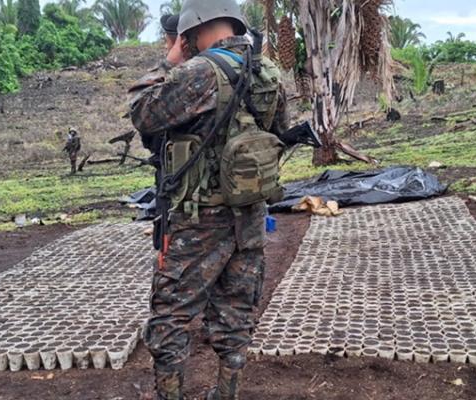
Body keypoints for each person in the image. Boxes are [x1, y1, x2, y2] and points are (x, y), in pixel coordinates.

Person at [128, 0, 289, 399]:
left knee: (170, 316)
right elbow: (279, 133)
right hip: (249, 216)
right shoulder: (268, 72)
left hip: (197, 221)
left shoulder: (197, 71)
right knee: (236, 314)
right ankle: (226, 393)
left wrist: (168, 62)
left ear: (194, 31)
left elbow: (142, 113)